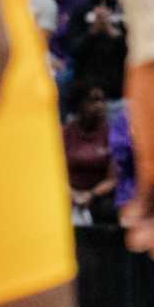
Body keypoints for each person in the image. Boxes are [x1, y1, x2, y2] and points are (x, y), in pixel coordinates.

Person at [63, 85, 119, 226]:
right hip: (66, 195)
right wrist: (72, 194)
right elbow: (53, 174)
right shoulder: (64, 133)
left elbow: (113, 178)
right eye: (93, 100)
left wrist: (91, 195)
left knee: (109, 209)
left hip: (98, 199)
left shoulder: (112, 134)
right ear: (80, 104)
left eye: (103, 100)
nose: (100, 106)